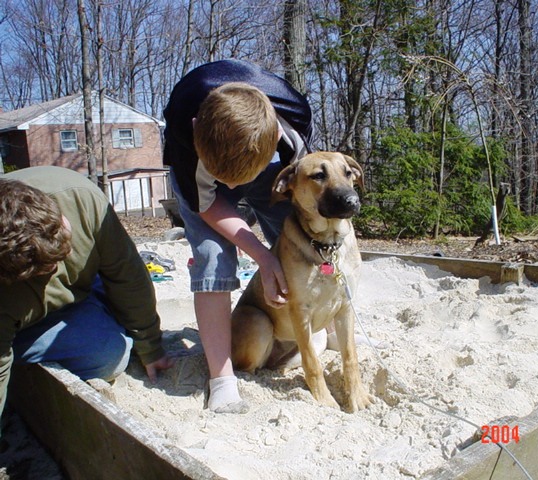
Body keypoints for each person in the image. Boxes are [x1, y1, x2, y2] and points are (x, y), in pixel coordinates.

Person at [162, 59, 312, 413]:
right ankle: (222, 378)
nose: (232, 189)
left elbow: (304, 206)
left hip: (266, 165)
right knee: (213, 254)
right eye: (224, 179)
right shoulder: (184, 127)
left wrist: (281, 253)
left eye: (236, 181)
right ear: (197, 128)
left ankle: (313, 327)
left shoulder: (293, 130)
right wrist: (262, 255)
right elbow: (209, 204)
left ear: (276, 137)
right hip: (199, 170)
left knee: (297, 237)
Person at [0, 166, 174, 427]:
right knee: (107, 353)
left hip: (84, 285)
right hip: (20, 321)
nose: (59, 264)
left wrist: (150, 346)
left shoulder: (79, 197)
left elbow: (128, 275)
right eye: (48, 265)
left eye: (64, 245)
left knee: (124, 319)